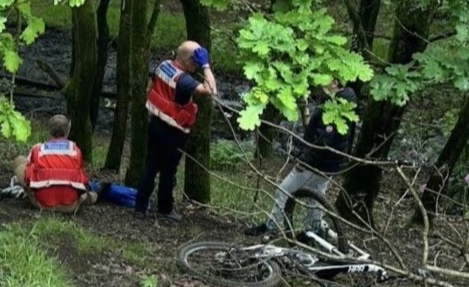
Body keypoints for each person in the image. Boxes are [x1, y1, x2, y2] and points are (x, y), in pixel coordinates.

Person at [245, 81, 358, 236]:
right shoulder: (347, 102)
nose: (321, 82)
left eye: (326, 78)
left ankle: (273, 226)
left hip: (318, 162)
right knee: (316, 196)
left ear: (335, 82)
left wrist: (304, 161)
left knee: (284, 189)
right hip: (332, 163)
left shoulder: (336, 108)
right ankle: (314, 230)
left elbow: (324, 140)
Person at [134, 41, 218, 222]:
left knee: (150, 167)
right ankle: (165, 209)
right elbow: (211, 90)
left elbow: (152, 86)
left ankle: (140, 208)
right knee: (168, 171)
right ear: (187, 60)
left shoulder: (163, 65)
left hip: (155, 123)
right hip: (173, 132)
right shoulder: (184, 81)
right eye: (195, 61)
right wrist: (205, 66)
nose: (196, 65)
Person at [13, 114, 98, 213]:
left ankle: (31, 195)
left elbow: (28, 173)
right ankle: (91, 197)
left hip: (41, 204)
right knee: (86, 193)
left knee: (19, 161)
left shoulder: (38, 149)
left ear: (49, 130)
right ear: (68, 130)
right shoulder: (76, 150)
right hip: (70, 206)